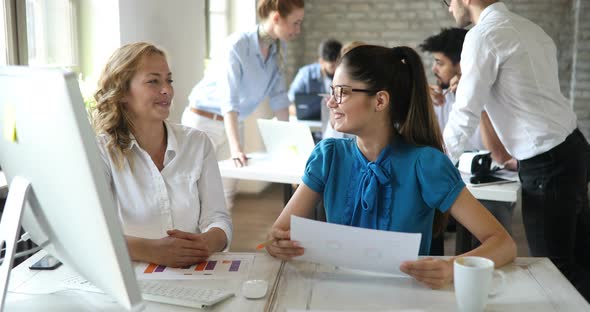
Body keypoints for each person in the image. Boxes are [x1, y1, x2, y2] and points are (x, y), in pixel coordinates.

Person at [265, 45, 516, 289]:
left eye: (341, 91)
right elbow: (278, 231)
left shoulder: (425, 164)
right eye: (332, 91)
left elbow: (503, 243)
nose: (331, 102)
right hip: (337, 295)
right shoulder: (328, 157)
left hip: (408, 298)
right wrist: (275, 242)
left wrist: (452, 267)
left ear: (380, 100)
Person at [445, 0, 590, 300]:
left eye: (448, 1)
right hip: (573, 148)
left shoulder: (482, 36)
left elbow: (464, 114)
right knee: (581, 257)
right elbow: (527, 97)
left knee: (554, 270)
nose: (448, 8)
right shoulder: (532, 30)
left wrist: (436, 162)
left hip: (548, 161)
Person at [92, 42, 232, 268]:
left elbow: (218, 219)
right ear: (123, 92)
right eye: (153, 81)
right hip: (133, 281)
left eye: (169, 80)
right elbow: (92, 233)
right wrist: (152, 251)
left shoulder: (198, 143)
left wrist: (208, 242)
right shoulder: (101, 151)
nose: (166, 89)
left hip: (195, 274)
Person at [182, 0, 305, 211]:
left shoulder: (277, 49)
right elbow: (228, 99)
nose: (298, 30)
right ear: (276, 18)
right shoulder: (238, 45)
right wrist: (236, 149)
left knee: (226, 197)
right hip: (203, 122)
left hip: (233, 122)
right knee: (195, 197)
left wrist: (288, 146)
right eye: (295, 23)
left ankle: (219, 245)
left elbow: (278, 98)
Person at [420, 27, 516, 245]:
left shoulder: (494, 98)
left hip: (489, 189)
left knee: (487, 223)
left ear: (462, 65)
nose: (434, 69)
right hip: (450, 185)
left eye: (440, 63)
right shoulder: (437, 98)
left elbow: (500, 155)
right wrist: (419, 95)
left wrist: (476, 100)